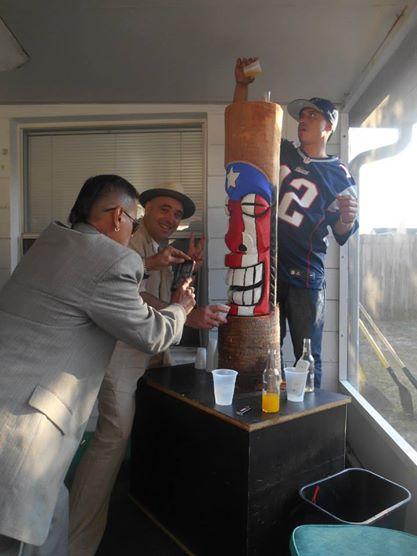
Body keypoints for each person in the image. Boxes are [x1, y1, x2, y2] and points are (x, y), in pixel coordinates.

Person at [0, 174, 195, 556]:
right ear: (119, 217)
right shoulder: (116, 258)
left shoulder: (50, 241)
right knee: (25, 537)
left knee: (53, 521)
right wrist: (182, 308)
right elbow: (151, 334)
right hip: (22, 434)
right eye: (134, 222)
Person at [69, 182, 229, 556]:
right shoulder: (128, 243)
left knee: (152, 426)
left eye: (177, 214)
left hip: (155, 352)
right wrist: (189, 316)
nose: (171, 218)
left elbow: (172, 298)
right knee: (113, 436)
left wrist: (191, 266)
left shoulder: (161, 248)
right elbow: (135, 295)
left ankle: (145, 504)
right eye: (164, 209)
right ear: (144, 211)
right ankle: (77, 540)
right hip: (122, 355)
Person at [233, 58, 359, 387]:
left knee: (307, 357)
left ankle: (308, 415)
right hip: (268, 267)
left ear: (328, 126)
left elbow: (342, 233)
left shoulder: (340, 174)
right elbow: (244, 131)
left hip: (306, 276)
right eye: (302, 115)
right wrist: (242, 87)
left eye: (312, 115)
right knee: (264, 352)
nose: (303, 119)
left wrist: (348, 218)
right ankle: (267, 410)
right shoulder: (283, 150)